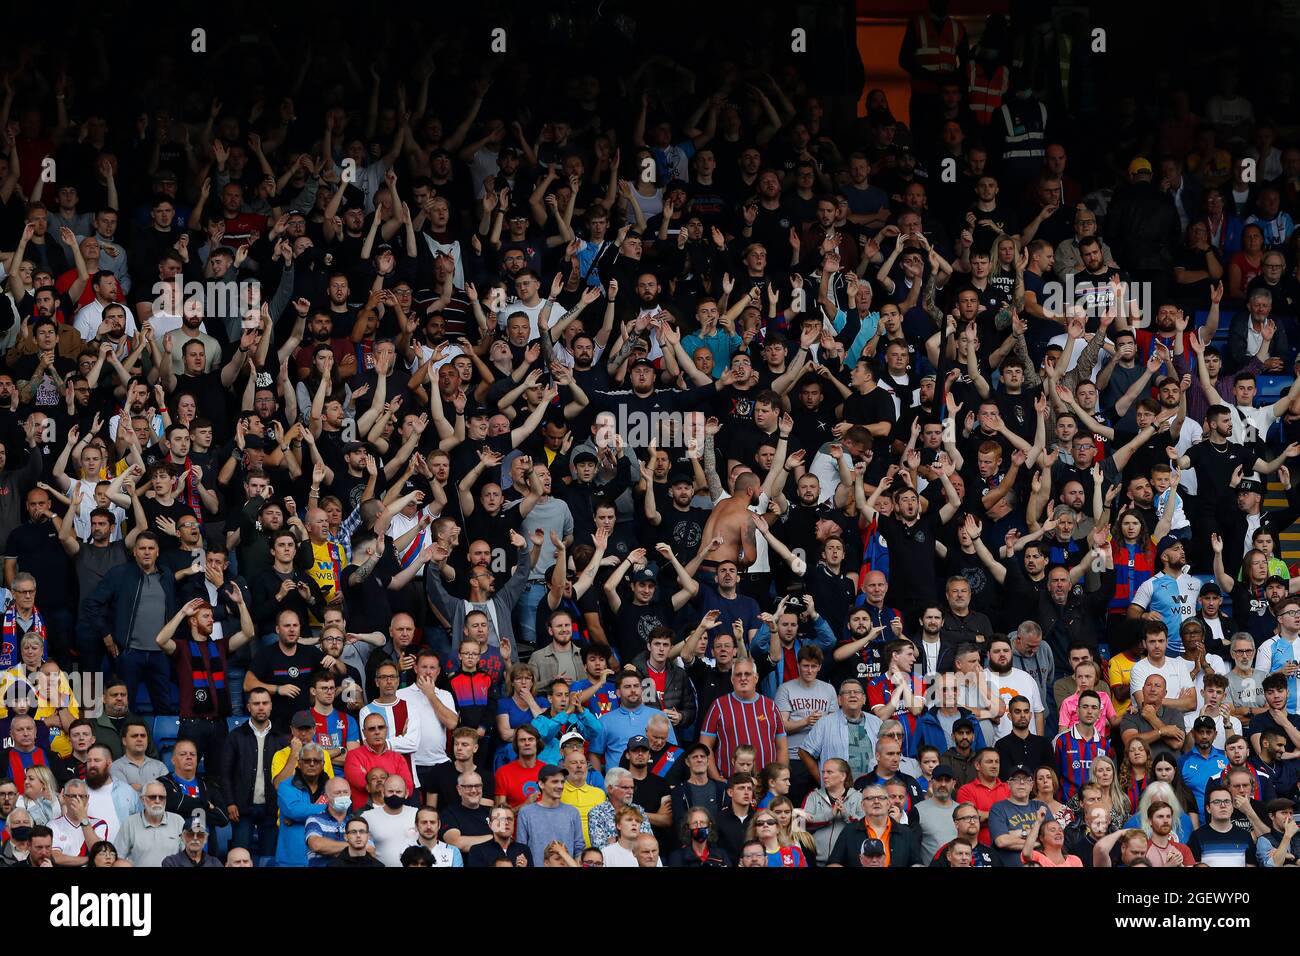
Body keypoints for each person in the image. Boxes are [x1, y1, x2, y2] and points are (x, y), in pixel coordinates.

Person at [1188, 781, 1255, 866]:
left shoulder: (1245, 836)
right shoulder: (1197, 836)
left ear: (1232, 807)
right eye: (1217, 802)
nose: (1223, 805)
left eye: (1227, 801)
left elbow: (1251, 865)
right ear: (1208, 809)